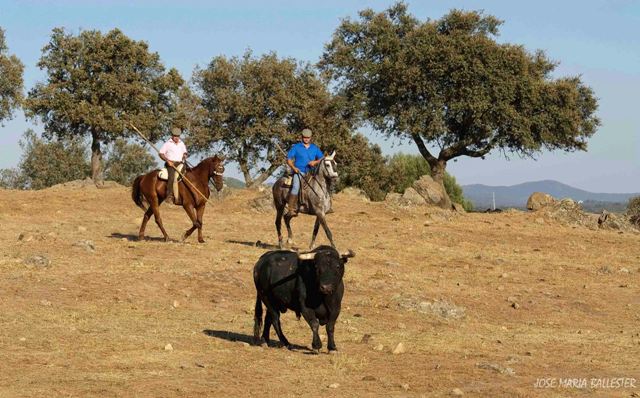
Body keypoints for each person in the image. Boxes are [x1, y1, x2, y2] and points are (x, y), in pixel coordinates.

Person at [286, 128, 323, 217]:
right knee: (296, 186)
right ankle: (291, 209)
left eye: (308, 137)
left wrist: (315, 162)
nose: (306, 139)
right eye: (304, 137)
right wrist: (294, 168)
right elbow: (289, 159)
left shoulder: (315, 148)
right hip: (299, 172)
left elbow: (322, 158)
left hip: (312, 173)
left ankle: (324, 205)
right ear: (302, 137)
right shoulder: (296, 147)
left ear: (311, 138)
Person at [159, 127, 188, 205]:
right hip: (170, 164)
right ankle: (169, 196)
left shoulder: (181, 143)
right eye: (175, 136)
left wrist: (185, 155)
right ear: (172, 136)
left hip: (180, 163)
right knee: (172, 177)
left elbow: (185, 152)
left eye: (178, 136)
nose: (176, 138)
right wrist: (167, 161)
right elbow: (161, 154)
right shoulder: (167, 144)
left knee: (188, 173)